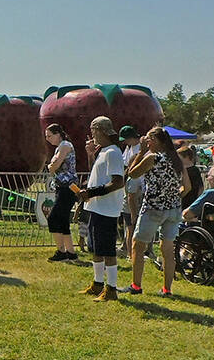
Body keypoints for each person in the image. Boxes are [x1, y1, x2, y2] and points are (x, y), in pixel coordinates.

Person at [122, 127, 188, 297]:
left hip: (153, 208)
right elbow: (187, 187)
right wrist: (174, 197)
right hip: (173, 209)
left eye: (149, 139)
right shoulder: (177, 159)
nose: (146, 142)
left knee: (138, 245)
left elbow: (132, 173)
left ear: (157, 141)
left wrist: (141, 152)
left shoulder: (152, 158)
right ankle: (167, 289)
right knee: (167, 249)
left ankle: (136, 285)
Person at [75, 116, 126, 302]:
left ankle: (111, 289)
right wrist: (90, 156)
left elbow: (118, 181)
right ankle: (97, 284)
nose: (92, 134)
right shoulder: (103, 151)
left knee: (108, 251)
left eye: (94, 130)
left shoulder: (113, 152)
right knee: (96, 249)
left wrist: (93, 192)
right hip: (96, 207)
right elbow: (97, 175)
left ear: (101, 131)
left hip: (107, 209)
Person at [44, 123, 78, 261]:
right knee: (63, 220)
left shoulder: (65, 146)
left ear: (58, 133)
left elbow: (55, 166)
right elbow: (52, 166)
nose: (47, 139)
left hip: (67, 187)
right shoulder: (60, 147)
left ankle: (61, 251)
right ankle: (70, 252)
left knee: (53, 218)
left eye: (49, 136)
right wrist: (51, 166)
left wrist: (51, 166)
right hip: (61, 186)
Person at [119, 125, 143, 260]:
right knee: (129, 221)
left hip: (138, 185)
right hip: (130, 185)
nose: (124, 142)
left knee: (133, 222)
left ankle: (135, 251)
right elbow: (125, 163)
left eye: (126, 139)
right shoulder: (129, 148)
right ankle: (128, 249)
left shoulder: (140, 148)